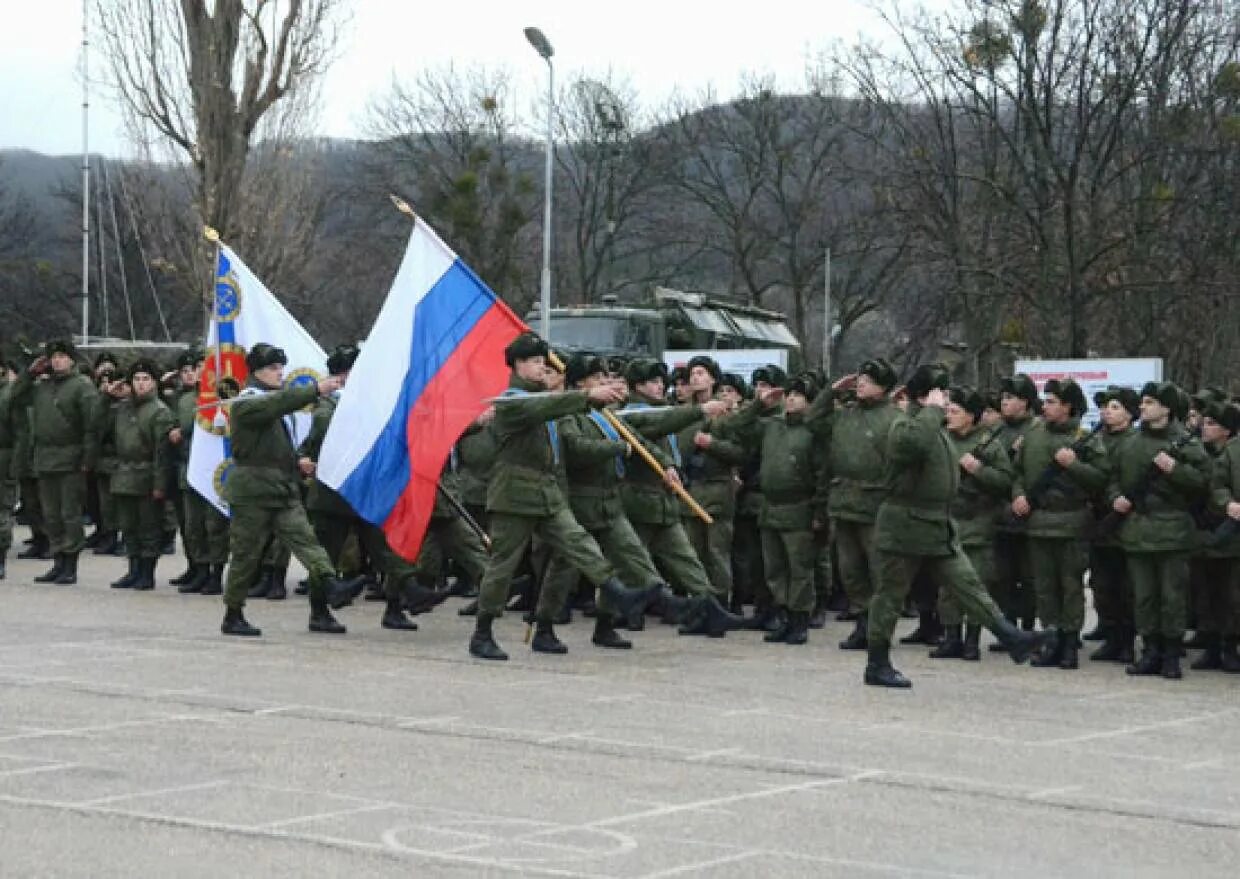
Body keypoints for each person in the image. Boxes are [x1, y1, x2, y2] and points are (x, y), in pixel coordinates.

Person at [467, 333, 660, 661]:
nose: (541, 367)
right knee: (503, 565)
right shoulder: (512, 401)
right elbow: (545, 406)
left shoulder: (541, 398)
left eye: (544, 361)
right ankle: (482, 632)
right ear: (516, 365)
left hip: (546, 492)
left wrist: (596, 396)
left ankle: (616, 592)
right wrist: (586, 394)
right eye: (533, 361)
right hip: (514, 493)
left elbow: (554, 406)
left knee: (578, 542)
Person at [863, 364, 1049, 688]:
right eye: (941, 393)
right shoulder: (903, 424)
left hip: (937, 524)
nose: (947, 401)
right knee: (890, 596)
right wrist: (931, 410)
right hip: (905, 524)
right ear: (924, 395)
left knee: (968, 585)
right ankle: (877, 662)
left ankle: (1011, 636)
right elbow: (913, 446)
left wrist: (934, 414)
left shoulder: (935, 426)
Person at [218, 343, 363, 637]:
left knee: (307, 540)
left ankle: (330, 583)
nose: (279, 373)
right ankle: (233, 612)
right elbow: (278, 404)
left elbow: (276, 443)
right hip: (253, 492)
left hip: (282, 489)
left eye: (280, 367)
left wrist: (298, 461)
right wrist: (316, 389)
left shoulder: (272, 402)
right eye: (272, 368)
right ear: (256, 372)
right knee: (246, 554)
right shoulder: (247, 403)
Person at [1108, 382, 1211, 679]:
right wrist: (1116, 498)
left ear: (1166, 408)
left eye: (1150, 402)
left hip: (1173, 530)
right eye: (1142, 402)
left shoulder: (1187, 443)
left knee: (1172, 596)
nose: (1143, 407)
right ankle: (1150, 650)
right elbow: (1113, 476)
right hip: (1138, 529)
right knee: (1144, 596)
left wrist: (1174, 470)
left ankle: (1170, 654)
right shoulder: (1130, 442)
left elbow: (1204, 482)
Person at [1010, 378, 1109, 670]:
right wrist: (1018, 496)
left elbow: (1100, 479)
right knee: (1044, 587)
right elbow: (1016, 472)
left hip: (1071, 522)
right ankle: (1050, 639)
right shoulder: (1034, 435)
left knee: (1070, 586)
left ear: (1068, 406)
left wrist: (1073, 465)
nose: (1046, 406)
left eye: (1053, 402)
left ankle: (1069, 643)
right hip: (1038, 522)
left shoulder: (1086, 437)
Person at [729, 373, 826, 644]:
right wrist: (759, 404)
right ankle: (782, 614)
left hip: (799, 507)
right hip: (771, 507)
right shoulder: (772, 425)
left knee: (800, 568)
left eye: (800, 396)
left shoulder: (814, 431)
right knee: (774, 568)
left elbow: (822, 475)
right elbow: (736, 425)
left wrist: (820, 513)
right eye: (790, 394)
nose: (792, 399)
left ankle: (800, 620)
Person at [822, 359, 901, 651]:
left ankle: (880, 630)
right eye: (860, 379)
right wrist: (830, 393)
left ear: (884, 387)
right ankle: (862, 623)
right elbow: (814, 420)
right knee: (850, 571)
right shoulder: (847, 414)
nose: (860, 384)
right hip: (844, 502)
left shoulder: (893, 418)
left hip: (876, 505)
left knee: (879, 572)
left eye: (868, 380)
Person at [932, 386, 1014, 661]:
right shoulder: (942, 439)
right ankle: (951, 636)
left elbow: (1004, 482)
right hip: (948, 521)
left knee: (976, 583)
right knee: (947, 588)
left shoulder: (991, 444)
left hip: (978, 523)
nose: (949, 416)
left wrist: (978, 470)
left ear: (971, 416)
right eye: (948, 411)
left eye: (955, 412)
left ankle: (972, 640)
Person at [12, 340, 99, 585]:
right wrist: (29, 374)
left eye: (62, 356)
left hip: (71, 457)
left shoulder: (82, 386)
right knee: (50, 514)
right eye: (53, 357)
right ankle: (58, 559)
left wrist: (87, 459)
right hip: (45, 457)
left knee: (69, 513)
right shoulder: (42, 386)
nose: (57, 361)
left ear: (72, 359)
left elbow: (92, 427)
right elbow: (15, 398)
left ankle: (70, 563)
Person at [107, 360, 175, 591]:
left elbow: (161, 453)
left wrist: (159, 484)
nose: (141, 384)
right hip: (125, 474)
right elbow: (99, 426)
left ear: (155, 382)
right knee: (128, 526)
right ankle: (133, 569)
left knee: (148, 528)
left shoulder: (160, 411)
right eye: (136, 379)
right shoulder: (124, 408)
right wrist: (107, 396)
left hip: (146, 474)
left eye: (146, 379)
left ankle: (147, 573)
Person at [1088, 387, 1139, 663]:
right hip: (1098, 521)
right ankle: (1111, 636)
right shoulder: (1096, 440)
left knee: (1125, 587)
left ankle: (1127, 640)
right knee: (1103, 585)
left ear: (1130, 414)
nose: (1107, 411)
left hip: (1124, 521)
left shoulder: (1134, 441)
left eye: (1115, 407)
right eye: (1106, 407)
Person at [1191, 401, 1240, 670]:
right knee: (1207, 594)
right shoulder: (1200, 451)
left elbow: (1220, 486)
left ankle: (1229, 646)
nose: (1204, 427)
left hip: (1230, 535)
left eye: (1211, 424)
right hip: (1205, 532)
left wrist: (1228, 504)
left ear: (1227, 430)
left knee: (1231, 596)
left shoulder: (1233, 453)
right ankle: (1211, 646)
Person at [1206, 401, 1240, 672]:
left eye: (1212, 423)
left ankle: (1230, 646)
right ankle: (1217, 646)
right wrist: (1227, 502)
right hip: (1223, 533)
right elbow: (1218, 485)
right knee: (1218, 594)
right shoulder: (1226, 453)